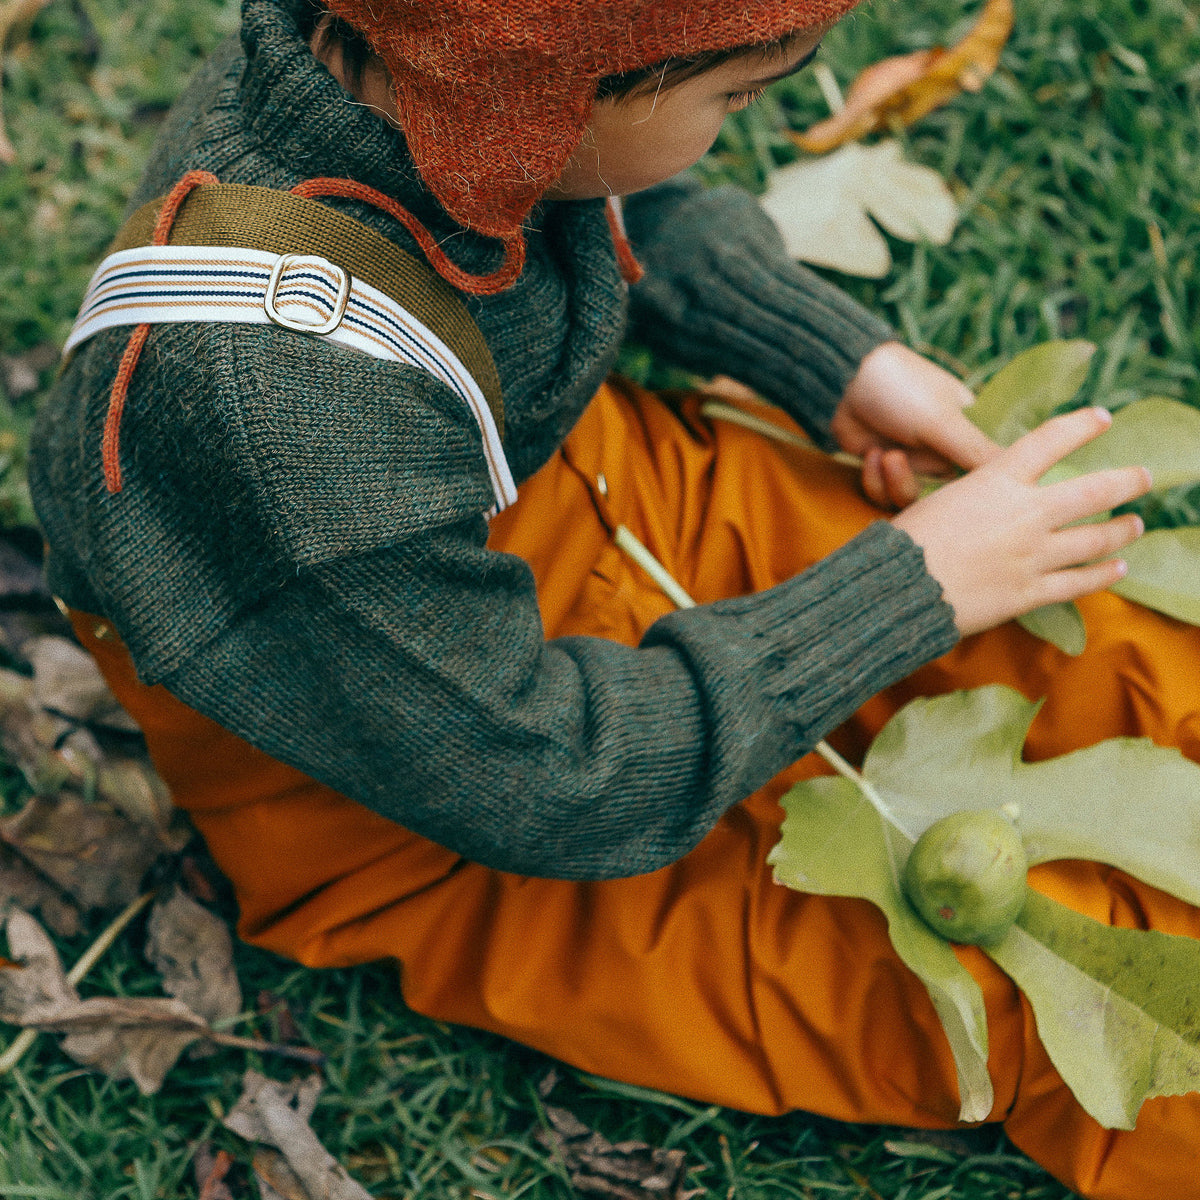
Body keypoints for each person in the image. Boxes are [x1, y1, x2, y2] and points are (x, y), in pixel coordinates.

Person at [28, 0, 1200, 1195]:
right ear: (555, 89)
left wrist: (820, 352)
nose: (761, 110)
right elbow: (556, 781)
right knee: (1030, 990)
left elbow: (614, 206)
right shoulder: (272, 423)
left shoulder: (405, 64)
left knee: (1121, 650)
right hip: (447, 785)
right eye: (735, 97)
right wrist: (910, 589)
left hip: (587, 500)